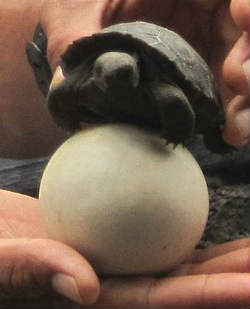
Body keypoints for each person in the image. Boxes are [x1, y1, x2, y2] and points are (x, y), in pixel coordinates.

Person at [0, 0, 249, 307]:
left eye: (124, 75)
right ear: (97, 68)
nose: (113, 81)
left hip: (170, 123)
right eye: (106, 75)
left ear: (135, 71)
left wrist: (174, 145)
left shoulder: (162, 88)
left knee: (225, 135)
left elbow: (174, 100)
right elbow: (63, 92)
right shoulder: (88, 75)